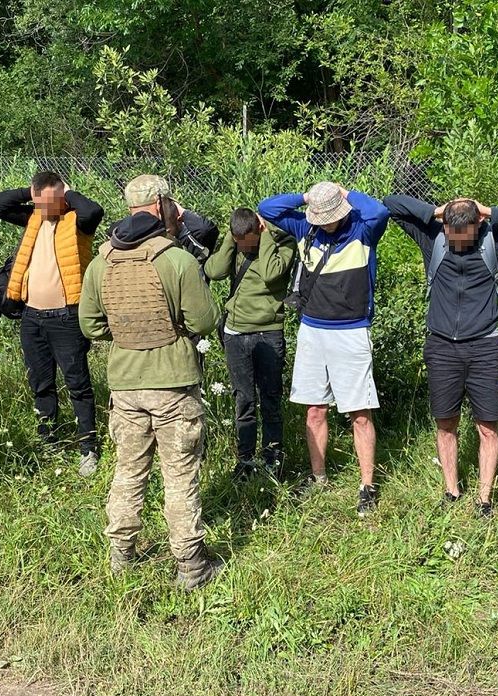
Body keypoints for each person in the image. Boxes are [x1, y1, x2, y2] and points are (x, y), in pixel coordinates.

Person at [78, 186, 223, 590]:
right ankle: (191, 565)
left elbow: (90, 325)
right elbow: (204, 321)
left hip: (124, 384)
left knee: (128, 470)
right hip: (173, 383)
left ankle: (121, 555)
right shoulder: (176, 260)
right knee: (179, 474)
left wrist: (126, 333)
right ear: (162, 207)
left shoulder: (100, 262)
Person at [384, 194, 498, 516]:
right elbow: (391, 202)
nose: (457, 242)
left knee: (488, 427)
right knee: (446, 423)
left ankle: (484, 500)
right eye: (450, 234)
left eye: (465, 235)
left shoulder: (496, 240)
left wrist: (492, 211)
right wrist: (435, 212)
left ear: (479, 225)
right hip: (442, 346)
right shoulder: (434, 237)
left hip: (486, 347)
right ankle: (451, 491)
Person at [258, 182, 390, 516]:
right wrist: (307, 199)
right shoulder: (306, 226)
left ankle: (367, 485)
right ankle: (318, 477)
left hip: (352, 331)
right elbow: (267, 207)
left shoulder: (363, 229)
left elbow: (380, 210)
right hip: (312, 330)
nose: (324, 222)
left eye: (329, 216)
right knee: (314, 409)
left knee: (360, 412)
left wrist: (343, 193)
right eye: (320, 216)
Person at [0, 172, 104, 476]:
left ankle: (88, 447)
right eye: (39, 202)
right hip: (32, 316)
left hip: (67, 317)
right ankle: (48, 438)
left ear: (62, 196)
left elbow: (94, 211)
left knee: (78, 383)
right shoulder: (34, 218)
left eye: (49, 202)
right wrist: (32, 193)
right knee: (40, 382)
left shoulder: (77, 221)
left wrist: (67, 194)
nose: (44, 208)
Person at [205, 207, 296, 481]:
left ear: (259, 229)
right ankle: (244, 461)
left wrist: (265, 238)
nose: (246, 248)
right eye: (239, 241)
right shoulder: (235, 245)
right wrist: (230, 241)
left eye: (250, 241)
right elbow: (215, 270)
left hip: (268, 332)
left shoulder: (284, 243)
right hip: (235, 334)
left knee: (270, 399)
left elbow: (271, 274)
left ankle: (272, 461)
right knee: (243, 400)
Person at [122, 174, 219, 272]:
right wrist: (182, 212)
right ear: (159, 206)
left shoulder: (120, 242)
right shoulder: (184, 240)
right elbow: (206, 229)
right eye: (171, 203)